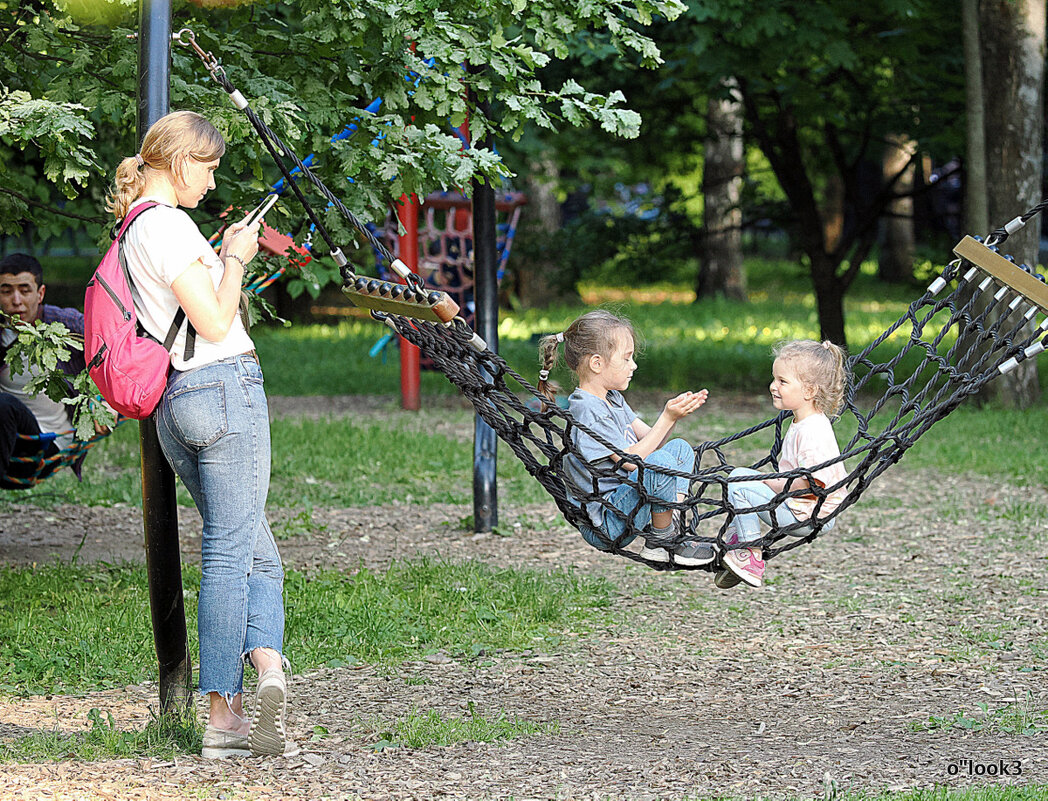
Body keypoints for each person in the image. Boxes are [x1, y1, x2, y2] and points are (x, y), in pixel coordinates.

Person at [106, 110, 294, 759]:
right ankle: (224, 716)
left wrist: (223, 257)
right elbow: (216, 321)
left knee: (254, 547)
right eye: (208, 167)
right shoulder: (169, 224)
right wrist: (237, 258)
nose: (212, 182)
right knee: (227, 553)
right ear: (181, 160)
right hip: (224, 390)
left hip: (177, 406)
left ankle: (269, 672)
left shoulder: (135, 228)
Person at [537, 309, 715, 567]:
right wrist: (666, 417)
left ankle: (671, 526)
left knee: (679, 450)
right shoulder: (587, 410)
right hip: (607, 519)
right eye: (627, 358)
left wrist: (673, 416)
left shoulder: (612, 398)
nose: (634, 365)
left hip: (627, 502)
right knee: (661, 462)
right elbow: (631, 461)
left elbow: (654, 441)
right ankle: (662, 542)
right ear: (597, 363)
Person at [717, 339, 849, 589]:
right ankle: (739, 547)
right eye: (774, 378)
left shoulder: (812, 430)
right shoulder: (804, 420)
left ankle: (747, 555)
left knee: (739, 484)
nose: (773, 386)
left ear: (809, 391)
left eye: (782, 381)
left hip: (808, 514)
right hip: (802, 508)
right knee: (739, 476)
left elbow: (814, 483)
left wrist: (771, 482)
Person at [0, 253, 92, 488]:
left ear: (40, 293)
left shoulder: (64, 323)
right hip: (6, 443)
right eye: (6, 291)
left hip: (43, 447)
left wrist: (106, 401)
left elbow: (113, 345)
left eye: (25, 290)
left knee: (4, 405)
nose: (16, 300)